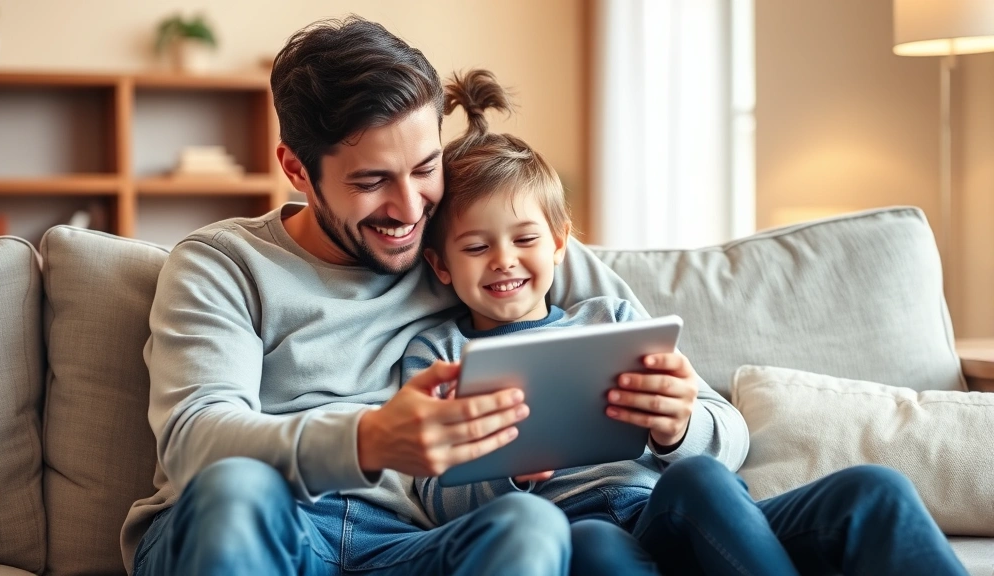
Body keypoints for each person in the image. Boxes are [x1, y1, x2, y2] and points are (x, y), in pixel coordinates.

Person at [119, 15, 669, 576]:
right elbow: (194, 441)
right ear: (297, 170)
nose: (409, 210)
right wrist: (368, 440)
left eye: (425, 168)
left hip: (403, 543)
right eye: (371, 181)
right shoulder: (224, 263)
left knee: (532, 526)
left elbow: (670, 378)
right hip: (259, 525)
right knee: (237, 486)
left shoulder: (473, 242)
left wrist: (679, 419)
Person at [402, 69, 970, 576]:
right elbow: (429, 495)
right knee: (595, 544)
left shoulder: (612, 320)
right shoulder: (438, 355)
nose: (503, 259)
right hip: (585, 535)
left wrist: (678, 428)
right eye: (476, 247)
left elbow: (730, 438)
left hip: (687, 512)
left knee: (873, 489)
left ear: (558, 245)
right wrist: (512, 477)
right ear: (440, 264)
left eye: (524, 239)